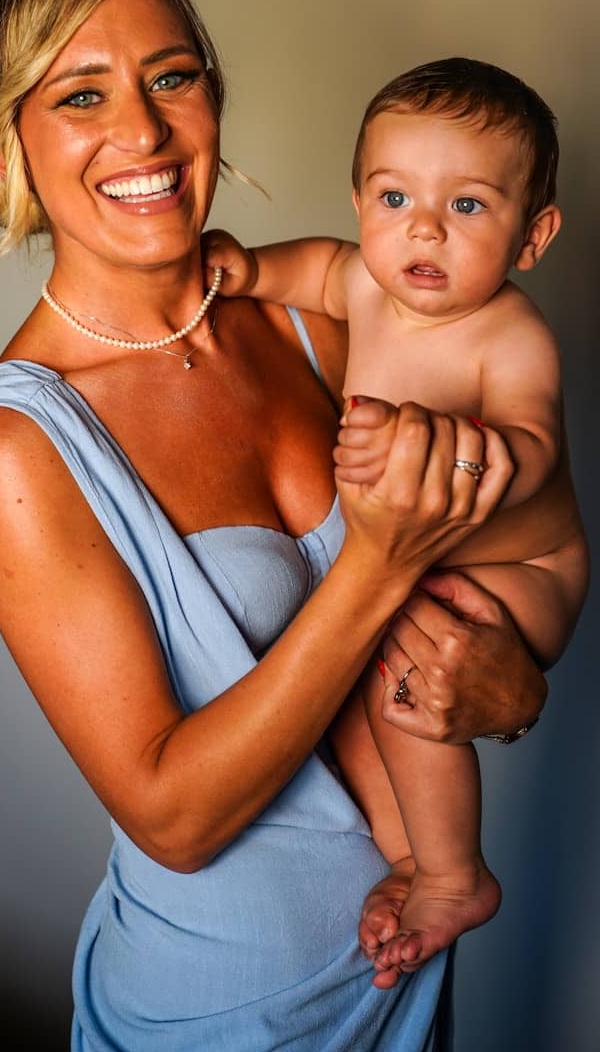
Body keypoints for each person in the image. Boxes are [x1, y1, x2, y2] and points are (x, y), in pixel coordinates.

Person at [0, 0, 587, 1050]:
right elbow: (174, 819)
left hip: (406, 972)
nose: (141, 130)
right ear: (9, 148)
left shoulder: (320, 319)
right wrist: (380, 564)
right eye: (81, 96)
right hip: (219, 1011)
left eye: (170, 76)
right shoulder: (16, 441)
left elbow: (511, 538)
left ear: (210, 95)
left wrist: (513, 688)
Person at [203, 57, 581, 983]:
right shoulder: (366, 283)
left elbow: (528, 449)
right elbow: (317, 269)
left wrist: (439, 446)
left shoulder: (510, 336)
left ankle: (455, 875)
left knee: (410, 667)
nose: (422, 227)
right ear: (361, 200)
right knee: (363, 681)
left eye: (467, 207)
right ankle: (408, 851)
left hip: (524, 573)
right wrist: (249, 268)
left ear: (532, 237)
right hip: (425, 566)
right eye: (394, 195)